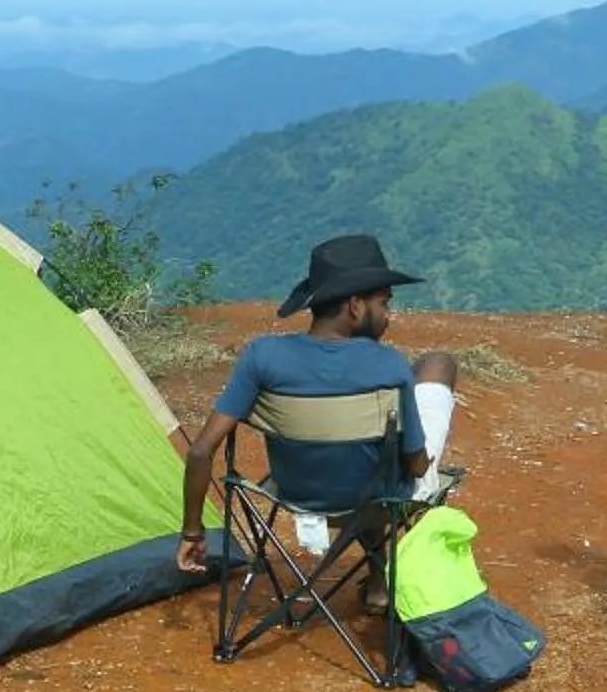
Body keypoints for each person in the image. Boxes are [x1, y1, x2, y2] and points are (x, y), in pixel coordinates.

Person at [174, 234, 458, 597]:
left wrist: (192, 533)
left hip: (297, 497)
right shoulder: (389, 365)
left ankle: (377, 578)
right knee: (438, 364)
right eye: (384, 303)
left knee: (364, 461)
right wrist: (420, 461)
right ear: (355, 306)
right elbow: (416, 467)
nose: (389, 315)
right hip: (377, 501)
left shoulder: (261, 357)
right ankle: (392, 583)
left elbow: (200, 453)